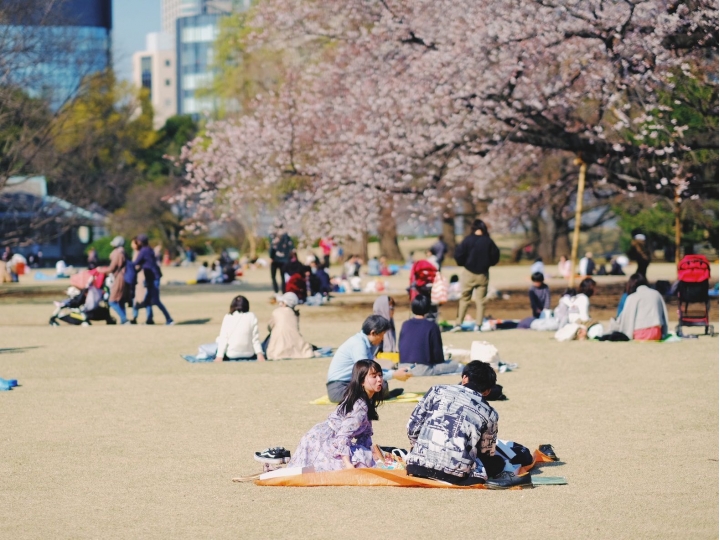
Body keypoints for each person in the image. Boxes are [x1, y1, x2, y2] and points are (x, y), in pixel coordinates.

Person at [405, 361, 528, 488]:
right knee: (497, 462)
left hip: (417, 467)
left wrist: (419, 448)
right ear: (487, 391)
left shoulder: (437, 390)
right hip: (457, 476)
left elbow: (412, 428)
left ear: (464, 377)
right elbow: (486, 453)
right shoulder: (490, 413)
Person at [287, 360, 385, 471]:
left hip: (331, 439)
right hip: (321, 443)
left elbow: (364, 435)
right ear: (362, 381)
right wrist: (348, 464)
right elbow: (343, 436)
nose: (379, 379)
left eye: (380, 375)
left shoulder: (367, 400)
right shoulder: (359, 405)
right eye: (374, 376)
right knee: (363, 461)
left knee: (367, 458)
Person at [326, 315, 411, 403]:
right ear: (373, 333)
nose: (382, 339)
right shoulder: (358, 345)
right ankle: (383, 395)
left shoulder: (364, 343)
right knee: (380, 385)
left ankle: (383, 394)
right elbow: (367, 372)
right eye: (382, 335)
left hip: (349, 384)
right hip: (338, 389)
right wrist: (394, 375)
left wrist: (395, 373)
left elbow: (372, 370)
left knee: (381, 384)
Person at [451, 219, 500, 331]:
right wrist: (488, 264)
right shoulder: (488, 241)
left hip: (468, 272)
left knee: (464, 298)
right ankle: (478, 325)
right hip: (483, 274)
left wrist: (463, 263)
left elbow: (458, 254)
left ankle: (458, 323)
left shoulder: (467, 240)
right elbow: (495, 256)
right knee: (481, 300)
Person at [399, 295, 463, 376]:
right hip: (423, 369)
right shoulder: (431, 325)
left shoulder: (405, 324)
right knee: (454, 364)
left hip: (402, 367)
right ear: (428, 308)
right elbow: (437, 354)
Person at [610, 274, 669, 341]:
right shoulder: (657, 294)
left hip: (640, 333)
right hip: (656, 333)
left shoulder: (632, 297)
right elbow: (664, 317)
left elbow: (626, 319)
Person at [133, 234, 174, 325]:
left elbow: (136, 262)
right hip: (152, 277)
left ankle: (169, 319)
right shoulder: (149, 249)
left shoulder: (144, 251)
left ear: (140, 242)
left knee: (156, 300)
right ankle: (149, 320)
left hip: (153, 277)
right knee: (147, 300)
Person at [214, 296, 265, 361]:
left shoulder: (228, 317)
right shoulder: (252, 316)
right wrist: (259, 354)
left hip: (231, 354)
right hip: (249, 354)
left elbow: (224, 338)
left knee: (217, 341)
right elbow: (255, 338)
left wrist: (219, 356)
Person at [266, 292, 314, 360]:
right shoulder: (295, 315)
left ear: (285, 303)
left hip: (277, 349)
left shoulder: (276, 312)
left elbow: (269, 327)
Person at [98, 236, 128, 324]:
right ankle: (123, 320)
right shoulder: (123, 252)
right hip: (123, 277)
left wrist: (101, 270)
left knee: (112, 301)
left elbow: (112, 268)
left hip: (119, 278)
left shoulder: (118, 253)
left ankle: (124, 319)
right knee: (120, 299)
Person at [269, 226, 294, 293]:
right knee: (274, 277)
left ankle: (283, 290)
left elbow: (291, 248)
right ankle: (276, 290)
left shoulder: (286, 238)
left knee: (283, 277)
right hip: (277, 260)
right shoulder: (274, 237)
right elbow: (272, 249)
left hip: (283, 260)